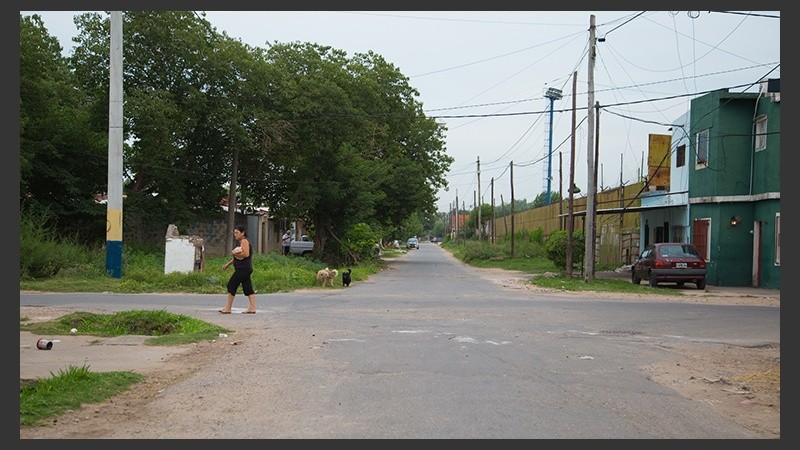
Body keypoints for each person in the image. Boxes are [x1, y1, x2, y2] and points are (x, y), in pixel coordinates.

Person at [219, 226, 256, 314]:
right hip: (245, 269)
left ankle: (228, 308)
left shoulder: (244, 241)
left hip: (243, 269)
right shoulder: (241, 242)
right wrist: (227, 264)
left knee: (231, 285)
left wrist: (234, 253)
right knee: (248, 288)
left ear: (242, 233)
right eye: (234, 233)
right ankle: (252, 307)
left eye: (237, 233)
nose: (235, 234)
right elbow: (237, 257)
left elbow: (246, 254)